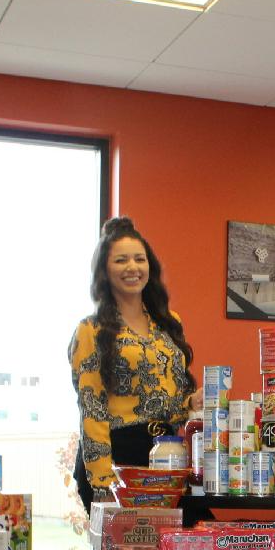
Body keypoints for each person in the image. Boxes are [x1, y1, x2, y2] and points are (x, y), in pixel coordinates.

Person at [68, 217, 197, 512]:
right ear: (104, 269)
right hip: (117, 458)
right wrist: (103, 483)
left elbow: (173, 403)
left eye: (139, 259)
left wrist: (192, 402)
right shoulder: (91, 330)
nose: (132, 267)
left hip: (166, 454)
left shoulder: (169, 323)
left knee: (189, 547)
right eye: (121, 260)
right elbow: (92, 407)